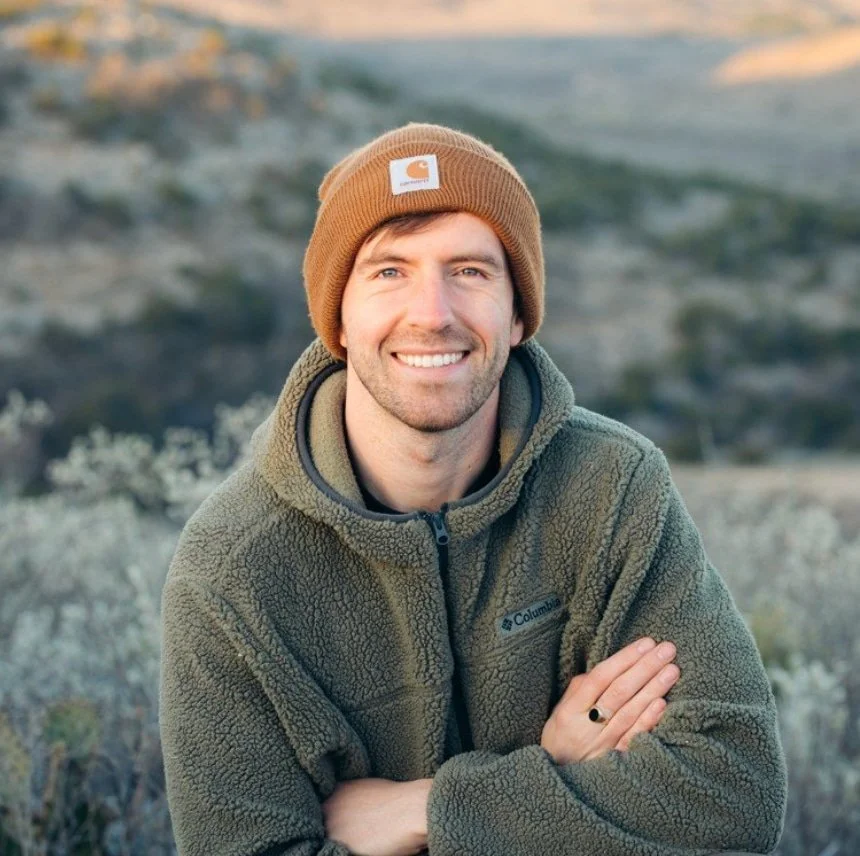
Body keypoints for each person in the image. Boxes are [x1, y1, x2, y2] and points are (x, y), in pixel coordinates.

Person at [159, 122, 787, 856]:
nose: (432, 313)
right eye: (389, 271)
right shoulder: (231, 569)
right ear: (337, 315)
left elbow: (733, 794)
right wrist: (561, 783)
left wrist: (432, 810)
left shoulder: (613, 490)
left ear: (518, 313)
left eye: (470, 271)